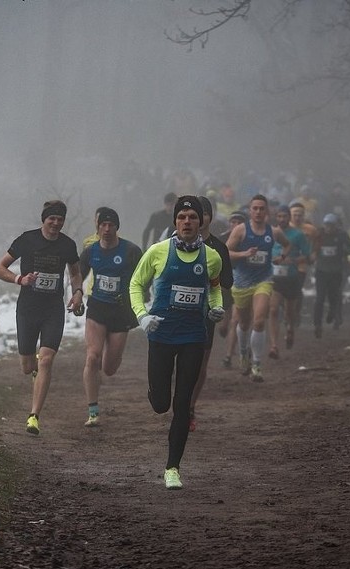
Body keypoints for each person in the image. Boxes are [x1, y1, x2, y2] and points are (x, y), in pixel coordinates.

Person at [129, 195, 224, 490]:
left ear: (201, 222)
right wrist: (143, 316)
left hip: (194, 336)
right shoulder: (157, 252)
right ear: (175, 222)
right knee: (161, 404)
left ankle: (173, 467)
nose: (187, 222)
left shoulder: (212, 257)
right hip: (161, 333)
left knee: (183, 403)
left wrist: (215, 308)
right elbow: (135, 284)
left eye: (192, 218)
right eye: (182, 218)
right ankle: (155, 391)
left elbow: (215, 289)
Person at [0, 199, 83, 435]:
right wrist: (19, 280)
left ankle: (34, 416)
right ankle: (33, 367)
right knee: (27, 366)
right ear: (44, 219)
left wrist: (78, 292)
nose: (56, 223)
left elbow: (75, 271)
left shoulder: (67, 245)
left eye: (60, 219)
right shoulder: (27, 240)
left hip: (53, 309)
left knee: (46, 359)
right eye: (52, 218)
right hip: (28, 309)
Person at [78, 207, 142, 427]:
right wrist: (77, 294)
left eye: (110, 225)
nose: (106, 229)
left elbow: (143, 276)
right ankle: (93, 410)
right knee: (92, 357)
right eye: (103, 225)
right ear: (97, 228)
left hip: (121, 311)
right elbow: (79, 275)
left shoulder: (131, 251)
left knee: (109, 368)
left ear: (116, 227)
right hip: (97, 308)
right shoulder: (90, 252)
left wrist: (141, 297)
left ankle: (111, 359)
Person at [225, 194, 291, 382]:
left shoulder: (274, 232)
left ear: (267, 211)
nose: (258, 212)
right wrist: (244, 253)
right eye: (255, 208)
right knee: (244, 323)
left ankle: (257, 364)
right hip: (241, 282)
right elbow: (225, 252)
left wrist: (282, 257)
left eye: (262, 208)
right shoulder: (240, 230)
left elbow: (287, 245)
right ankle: (244, 353)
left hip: (263, 279)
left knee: (260, 321)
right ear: (250, 210)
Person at [188, 196, 233, 432]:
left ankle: (190, 406)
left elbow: (227, 283)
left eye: (203, 213)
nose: (197, 218)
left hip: (205, 314)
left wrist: (219, 305)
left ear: (209, 217)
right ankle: (179, 399)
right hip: (179, 311)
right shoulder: (173, 244)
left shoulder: (219, 248)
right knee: (179, 362)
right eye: (193, 213)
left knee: (199, 363)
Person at [267, 205, 310, 358]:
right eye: (279, 216)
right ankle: (273, 346)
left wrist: (292, 260)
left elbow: (307, 255)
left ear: (289, 218)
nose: (282, 219)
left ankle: (290, 328)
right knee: (272, 310)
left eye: (284, 216)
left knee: (289, 312)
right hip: (274, 278)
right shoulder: (270, 233)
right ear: (275, 217)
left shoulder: (298, 235)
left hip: (291, 277)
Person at [312, 213, 350, 338]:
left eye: (331, 226)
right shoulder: (319, 234)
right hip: (321, 270)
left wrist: (345, 252)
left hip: (336, 271)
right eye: (326, 226)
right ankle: (317, 325)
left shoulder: (342, 235)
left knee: (334, 296)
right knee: (319, 298)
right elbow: (310, 246)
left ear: (336, 226)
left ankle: (332, 312)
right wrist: (313, 253)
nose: (328, 228)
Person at [220, 210, 247, 369]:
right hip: (224, 283)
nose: (235, 224)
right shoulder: (222, 238)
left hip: (242, 282)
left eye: (238, 222)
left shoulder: (248, 240)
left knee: (235, 320)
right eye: (233, 221)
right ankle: (224, 328)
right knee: (225, 321)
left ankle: (228, 355)